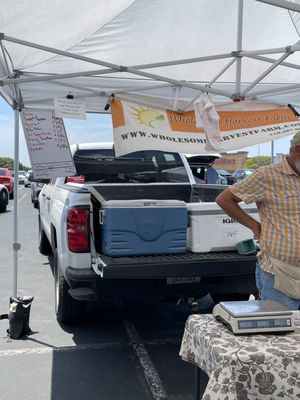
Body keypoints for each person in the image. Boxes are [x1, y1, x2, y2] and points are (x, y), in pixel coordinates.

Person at [215, 131, 300, 310]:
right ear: (298, 151)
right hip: (279, 273)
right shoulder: (267, 175)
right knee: (279, 333)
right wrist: (254, 226)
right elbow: (224, 199)